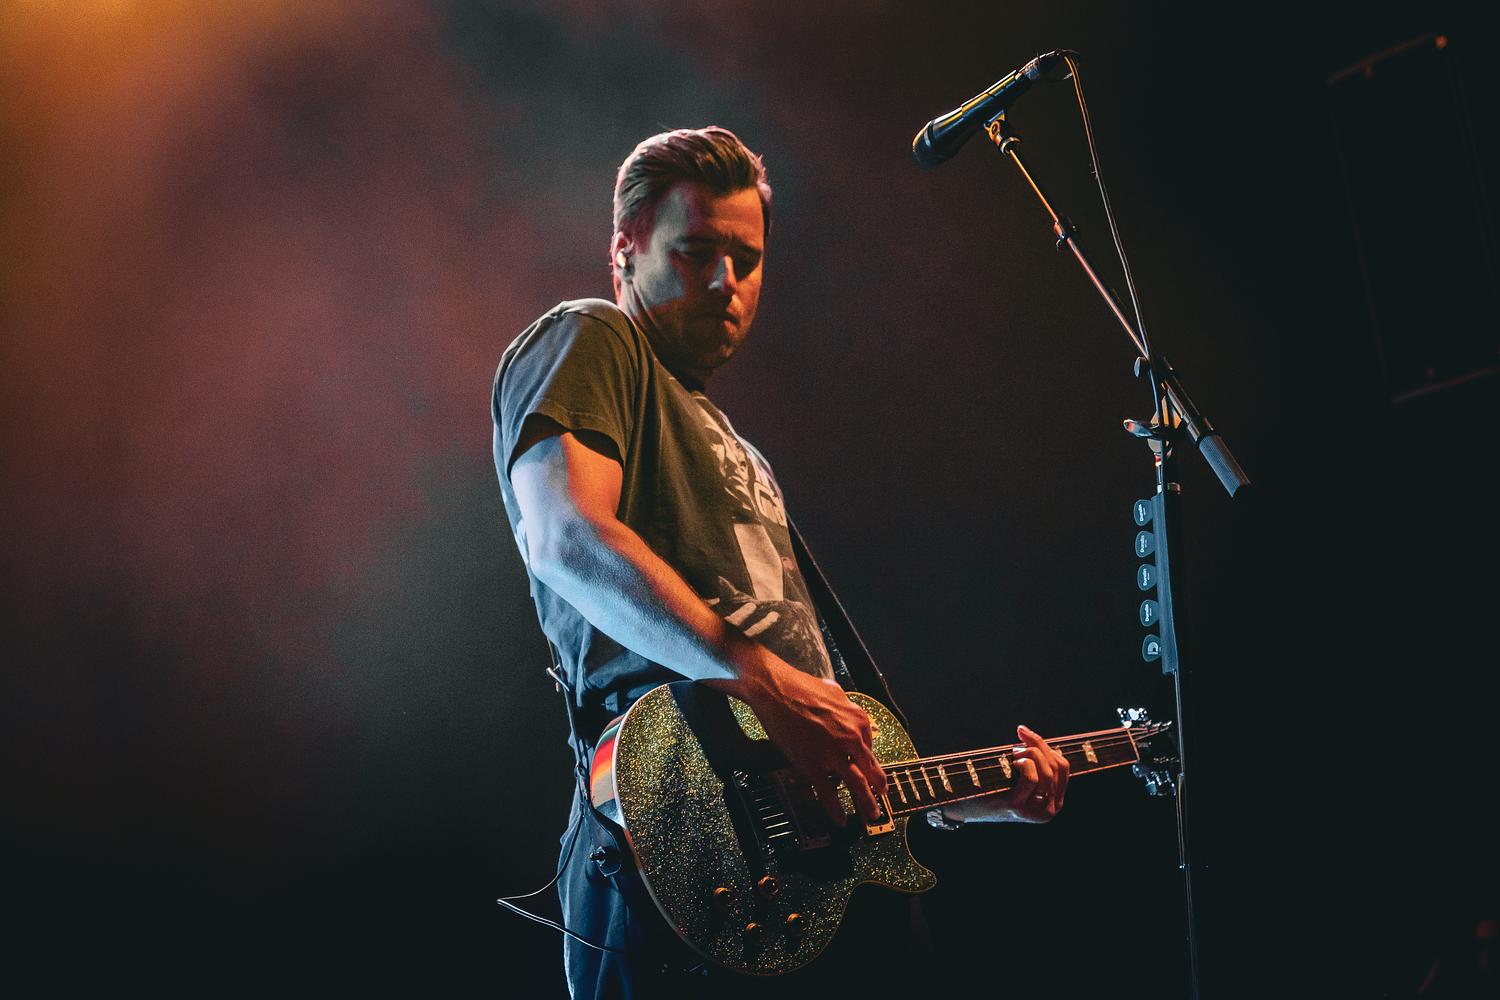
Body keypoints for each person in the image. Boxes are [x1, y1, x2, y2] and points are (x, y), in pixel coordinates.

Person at [491, 126, 1069, 998]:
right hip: (670, 840)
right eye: (697, 253)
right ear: (626, 247)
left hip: (803, 880)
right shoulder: (592, 336)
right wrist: (765, 682)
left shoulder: (743, 453)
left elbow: (809, 731)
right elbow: (565, 538)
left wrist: (963, 798)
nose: (728, 281)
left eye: (749, 259)